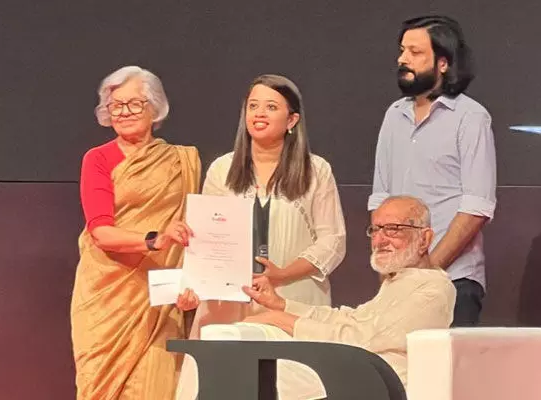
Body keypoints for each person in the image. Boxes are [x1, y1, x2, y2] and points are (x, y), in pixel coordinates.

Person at [175, 74, 346, 398]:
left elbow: (332, 241)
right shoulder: (222, 169)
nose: (259, 114)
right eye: (253, 106)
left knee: (289, 387)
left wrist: (283, 274)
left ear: (292, 120)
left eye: (270, 107)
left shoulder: (316, 170)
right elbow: (206, 239)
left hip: (292, 299)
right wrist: (194, 286)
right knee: (223, 386)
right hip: (227, 303)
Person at [227, 196, 454, 399]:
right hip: (353, 374)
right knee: (252, 351)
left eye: (393, 229)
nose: (379, 240)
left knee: (266, 362)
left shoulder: (433, 289)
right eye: (375, 230)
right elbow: (350, 319)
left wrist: (283, 320)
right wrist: (282, 305)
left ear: (424, 239)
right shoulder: (399, 280)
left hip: (377, 386)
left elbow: (361, 340)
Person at [70, 66, 201, 399]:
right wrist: (156, 239)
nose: (124, 112)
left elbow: (194, 232)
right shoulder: (98, 159)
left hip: (161, 295)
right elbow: (100, 232)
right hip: (106, 296)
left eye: (134, 103)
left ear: (154, 108)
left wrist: (195, 285)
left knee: (156, 385)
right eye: (116, 105)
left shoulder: (181, 162)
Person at [368, 15, 496, 326]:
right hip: (397, 283)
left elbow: (476, 208)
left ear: (443, 63)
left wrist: (426, 272)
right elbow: (380, 200)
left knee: (444, 360)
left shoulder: (471, 117)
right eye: (402, 51)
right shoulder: (394, 115)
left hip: (452, 281)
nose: (403, 59)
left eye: (415, 52)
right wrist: (391, 269)